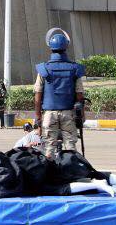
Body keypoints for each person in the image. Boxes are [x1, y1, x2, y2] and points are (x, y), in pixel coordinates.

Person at [34, 28, 85, 158]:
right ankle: (71, 170)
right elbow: (79, 95)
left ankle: (49, 173)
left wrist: (38, 117)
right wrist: (81, 116)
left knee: (49, 147)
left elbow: (38, 96)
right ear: (66, 47)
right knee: (70, 147)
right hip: (68, 113)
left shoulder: (43, 69)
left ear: (50, 47)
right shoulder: (74, 69)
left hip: (49, 114)